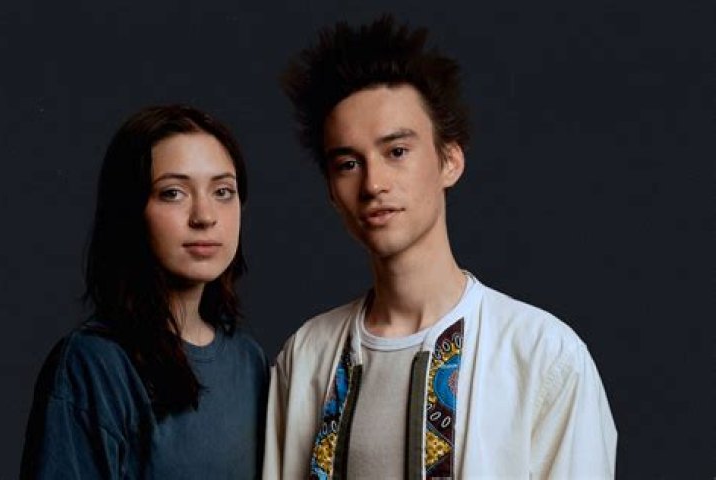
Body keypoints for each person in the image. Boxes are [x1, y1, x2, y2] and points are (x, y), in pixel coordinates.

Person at [264, 16, 617, 479]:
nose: (373, 184)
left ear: (450, 160)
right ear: (331, 190)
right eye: (348, 164)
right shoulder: (307, 356)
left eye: (397, 152)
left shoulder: (542, 356)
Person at [21, 105, 268, 478]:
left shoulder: (249, 362)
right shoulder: (94, 364)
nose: (205, 216)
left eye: (223, 191)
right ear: (130, 210)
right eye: (173, 193)